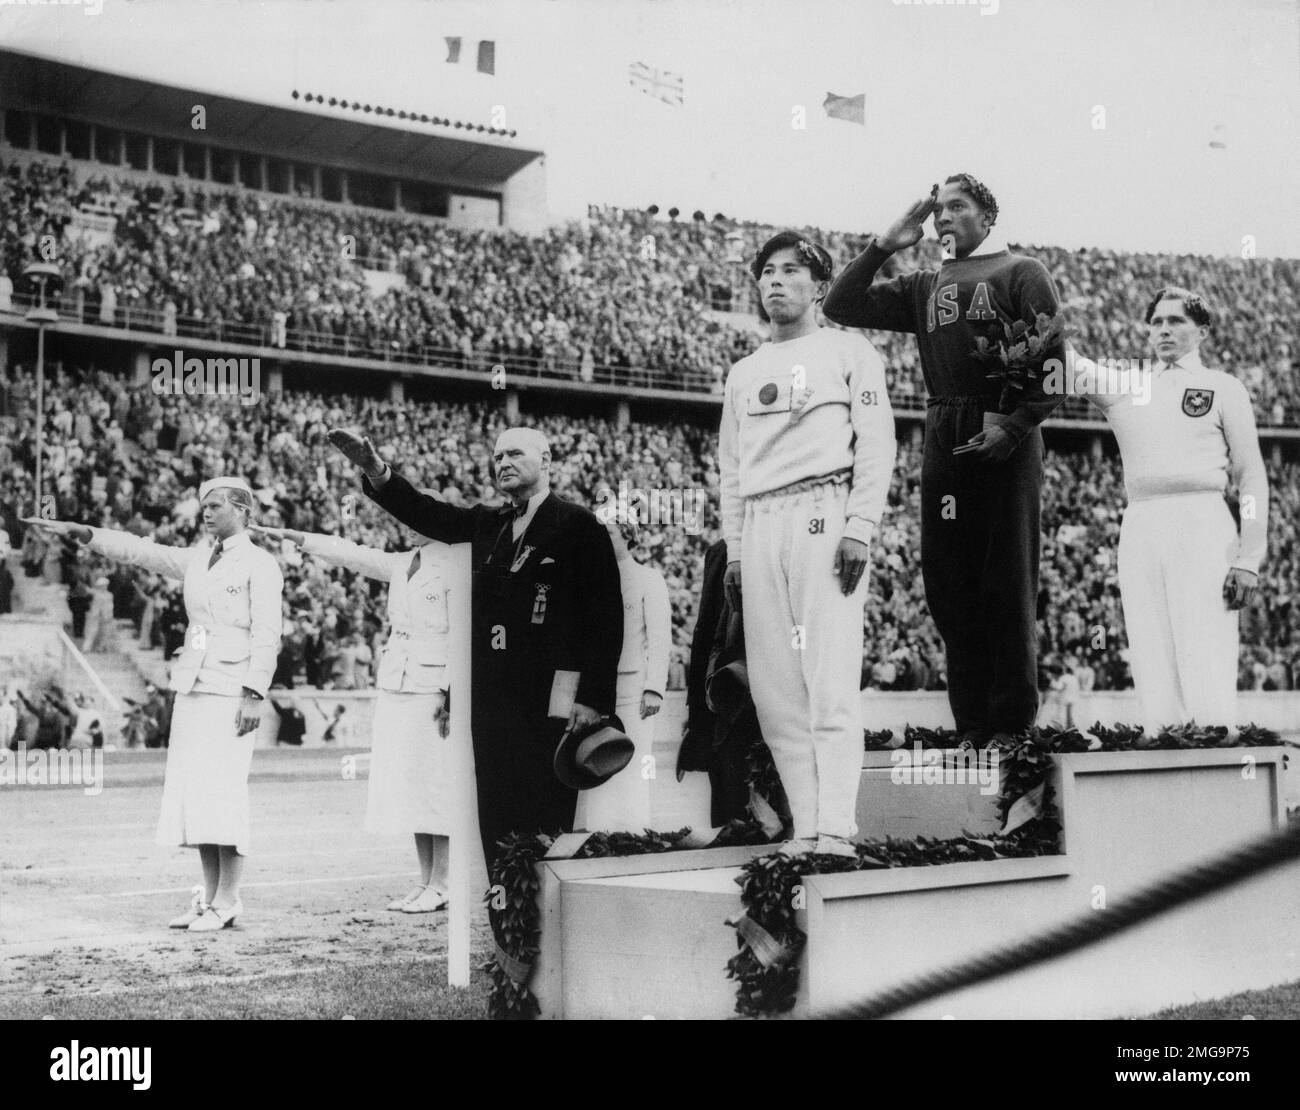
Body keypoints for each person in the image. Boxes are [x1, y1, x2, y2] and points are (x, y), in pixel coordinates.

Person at [823, 174, 1066, 746]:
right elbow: (840, 303)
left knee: (1006, 580)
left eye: (957, 207)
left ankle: (1011, 732)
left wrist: (1014, 427)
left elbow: (1056, 367)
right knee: (950, 587)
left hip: (1001, 425)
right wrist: (884, 245)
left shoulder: (1021, 271)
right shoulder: (924, 284)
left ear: (988, 216)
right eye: (938, 212)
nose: (943, 219)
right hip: (943, 429)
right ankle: (971, 728)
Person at [328, 425, 623, 870]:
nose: (502, 463)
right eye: (497, 456)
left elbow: (604, 617)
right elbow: (424, 513)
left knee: (546, 809)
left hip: (551, 697)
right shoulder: (489, 523)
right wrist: (376, 470)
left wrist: (593, 698)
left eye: (514, 454)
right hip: (490, 698)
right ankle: (508, 916)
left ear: (546, 462)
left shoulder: (578, 523)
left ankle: (544, 918)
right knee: (496, 814)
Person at [24, 476, 283, 932]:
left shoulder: (260, 565)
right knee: (195, 795)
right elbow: (140, 549)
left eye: (217, 505)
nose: (206, 511)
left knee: (224, 793)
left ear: (243, 511)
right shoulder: (198, 557)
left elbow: (268, 635)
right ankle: (208, 899)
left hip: (232, 688)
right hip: (194, 685)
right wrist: (83, 532)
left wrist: (254, 693)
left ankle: (230, 899)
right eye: (203, 504)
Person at [719, 231, 896, 858]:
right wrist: (735, 550)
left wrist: (860, 527)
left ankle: (838, 830)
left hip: (825, 512)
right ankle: (806, 826)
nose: (775, 280)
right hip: (763, 522)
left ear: (820, 286)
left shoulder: (850, 351)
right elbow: (732, 472)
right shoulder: (742, 373)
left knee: (828, 676)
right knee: (776, 691)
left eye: (791, 270)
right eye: (767, 270)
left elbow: (877, 444)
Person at [1063, 287, 1269, 733]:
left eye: (1175, 321)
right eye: (1156, 322)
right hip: (1141, 521)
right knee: (1150, 643)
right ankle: (1162, 743)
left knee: (1203, 642)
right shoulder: (1129, 385)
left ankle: (1214, 745)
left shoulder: (1223, 387)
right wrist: (1041, 317)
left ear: (1202, 330)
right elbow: (1070, 365)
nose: (1163, 330)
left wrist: (1250, 556)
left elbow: (1251, 474)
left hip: (1203, 519)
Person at [255, 521, 457, 913]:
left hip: (433, 683)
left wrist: (452, 692)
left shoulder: (454, 563)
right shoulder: (402, 562)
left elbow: (461, 633)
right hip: (398, 677)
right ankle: (426, 880)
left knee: (434, 784)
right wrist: (300, 538)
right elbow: (351, 553)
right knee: (410, 784)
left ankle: (443, 881)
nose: (410, 524)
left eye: (421, 515)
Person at [575, 514, 670, 834]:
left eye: (610, 533)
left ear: (628, 536)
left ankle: (633, 832)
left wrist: (654, 688)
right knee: (595, 759)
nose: (603, 540)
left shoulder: (648, 578)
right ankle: (598, 834)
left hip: (633, 687)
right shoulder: (590, 580)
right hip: (595, 690)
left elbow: (660, 638)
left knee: (633, 758)